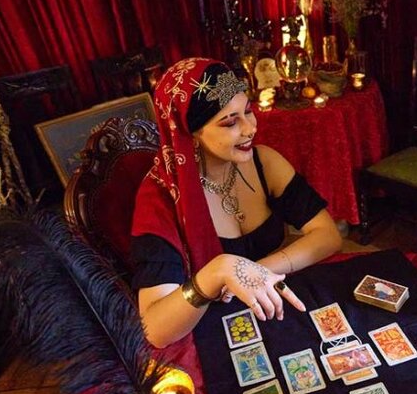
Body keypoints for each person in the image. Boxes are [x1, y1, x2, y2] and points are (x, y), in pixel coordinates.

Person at [131, 57, 342, 348]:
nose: (250, 129)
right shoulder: (162, 198)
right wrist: (219, 271)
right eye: (230, 122)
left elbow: (328, 235)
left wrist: (253, 272)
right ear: (189, 135)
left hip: (271, 303)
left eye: (248, 112)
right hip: (211, 328)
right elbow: (155, 330)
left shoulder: (264, 162)